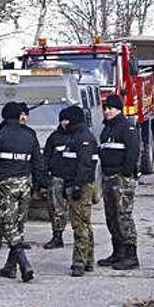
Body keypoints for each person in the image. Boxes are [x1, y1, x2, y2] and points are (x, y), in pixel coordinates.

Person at [0, 102, 46, 282]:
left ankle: (24, 263)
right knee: (18, 224)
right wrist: (40, 184)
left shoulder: (0, 135)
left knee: (7, 224)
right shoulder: (30, 135)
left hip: (5, 184)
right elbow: (38, 163)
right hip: (25, 184)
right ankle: (10, 267)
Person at [97, 94, 141, 270]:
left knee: (123, 217)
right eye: (105, 109)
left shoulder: (127, 128)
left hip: (121, 179)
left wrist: (126, 174)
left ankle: (131, 255)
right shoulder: (107, 129)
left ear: (119, 110)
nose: (107, 112)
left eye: (110, 109)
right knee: (111, 217)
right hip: (108, 178)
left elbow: (133, 153)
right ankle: (118, 252)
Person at [56, 106, 99, 277]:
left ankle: (79, 262)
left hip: (80, 187)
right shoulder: (74, 137)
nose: (63, 123)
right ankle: (88, 260)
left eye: (65, 120)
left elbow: (85, 165)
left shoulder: (83, 138)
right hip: (73, 184)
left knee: (80, 225)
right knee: (84, 224)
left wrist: (77, 186)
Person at [42, 108, 73, 249]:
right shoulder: (54, 137)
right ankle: (57, 236)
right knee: (55, 208)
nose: (65, 123)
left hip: (74, 179)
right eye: (62, 120)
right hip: (57, 178)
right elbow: (46, 157)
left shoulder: (79, 136)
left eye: (67, 119)